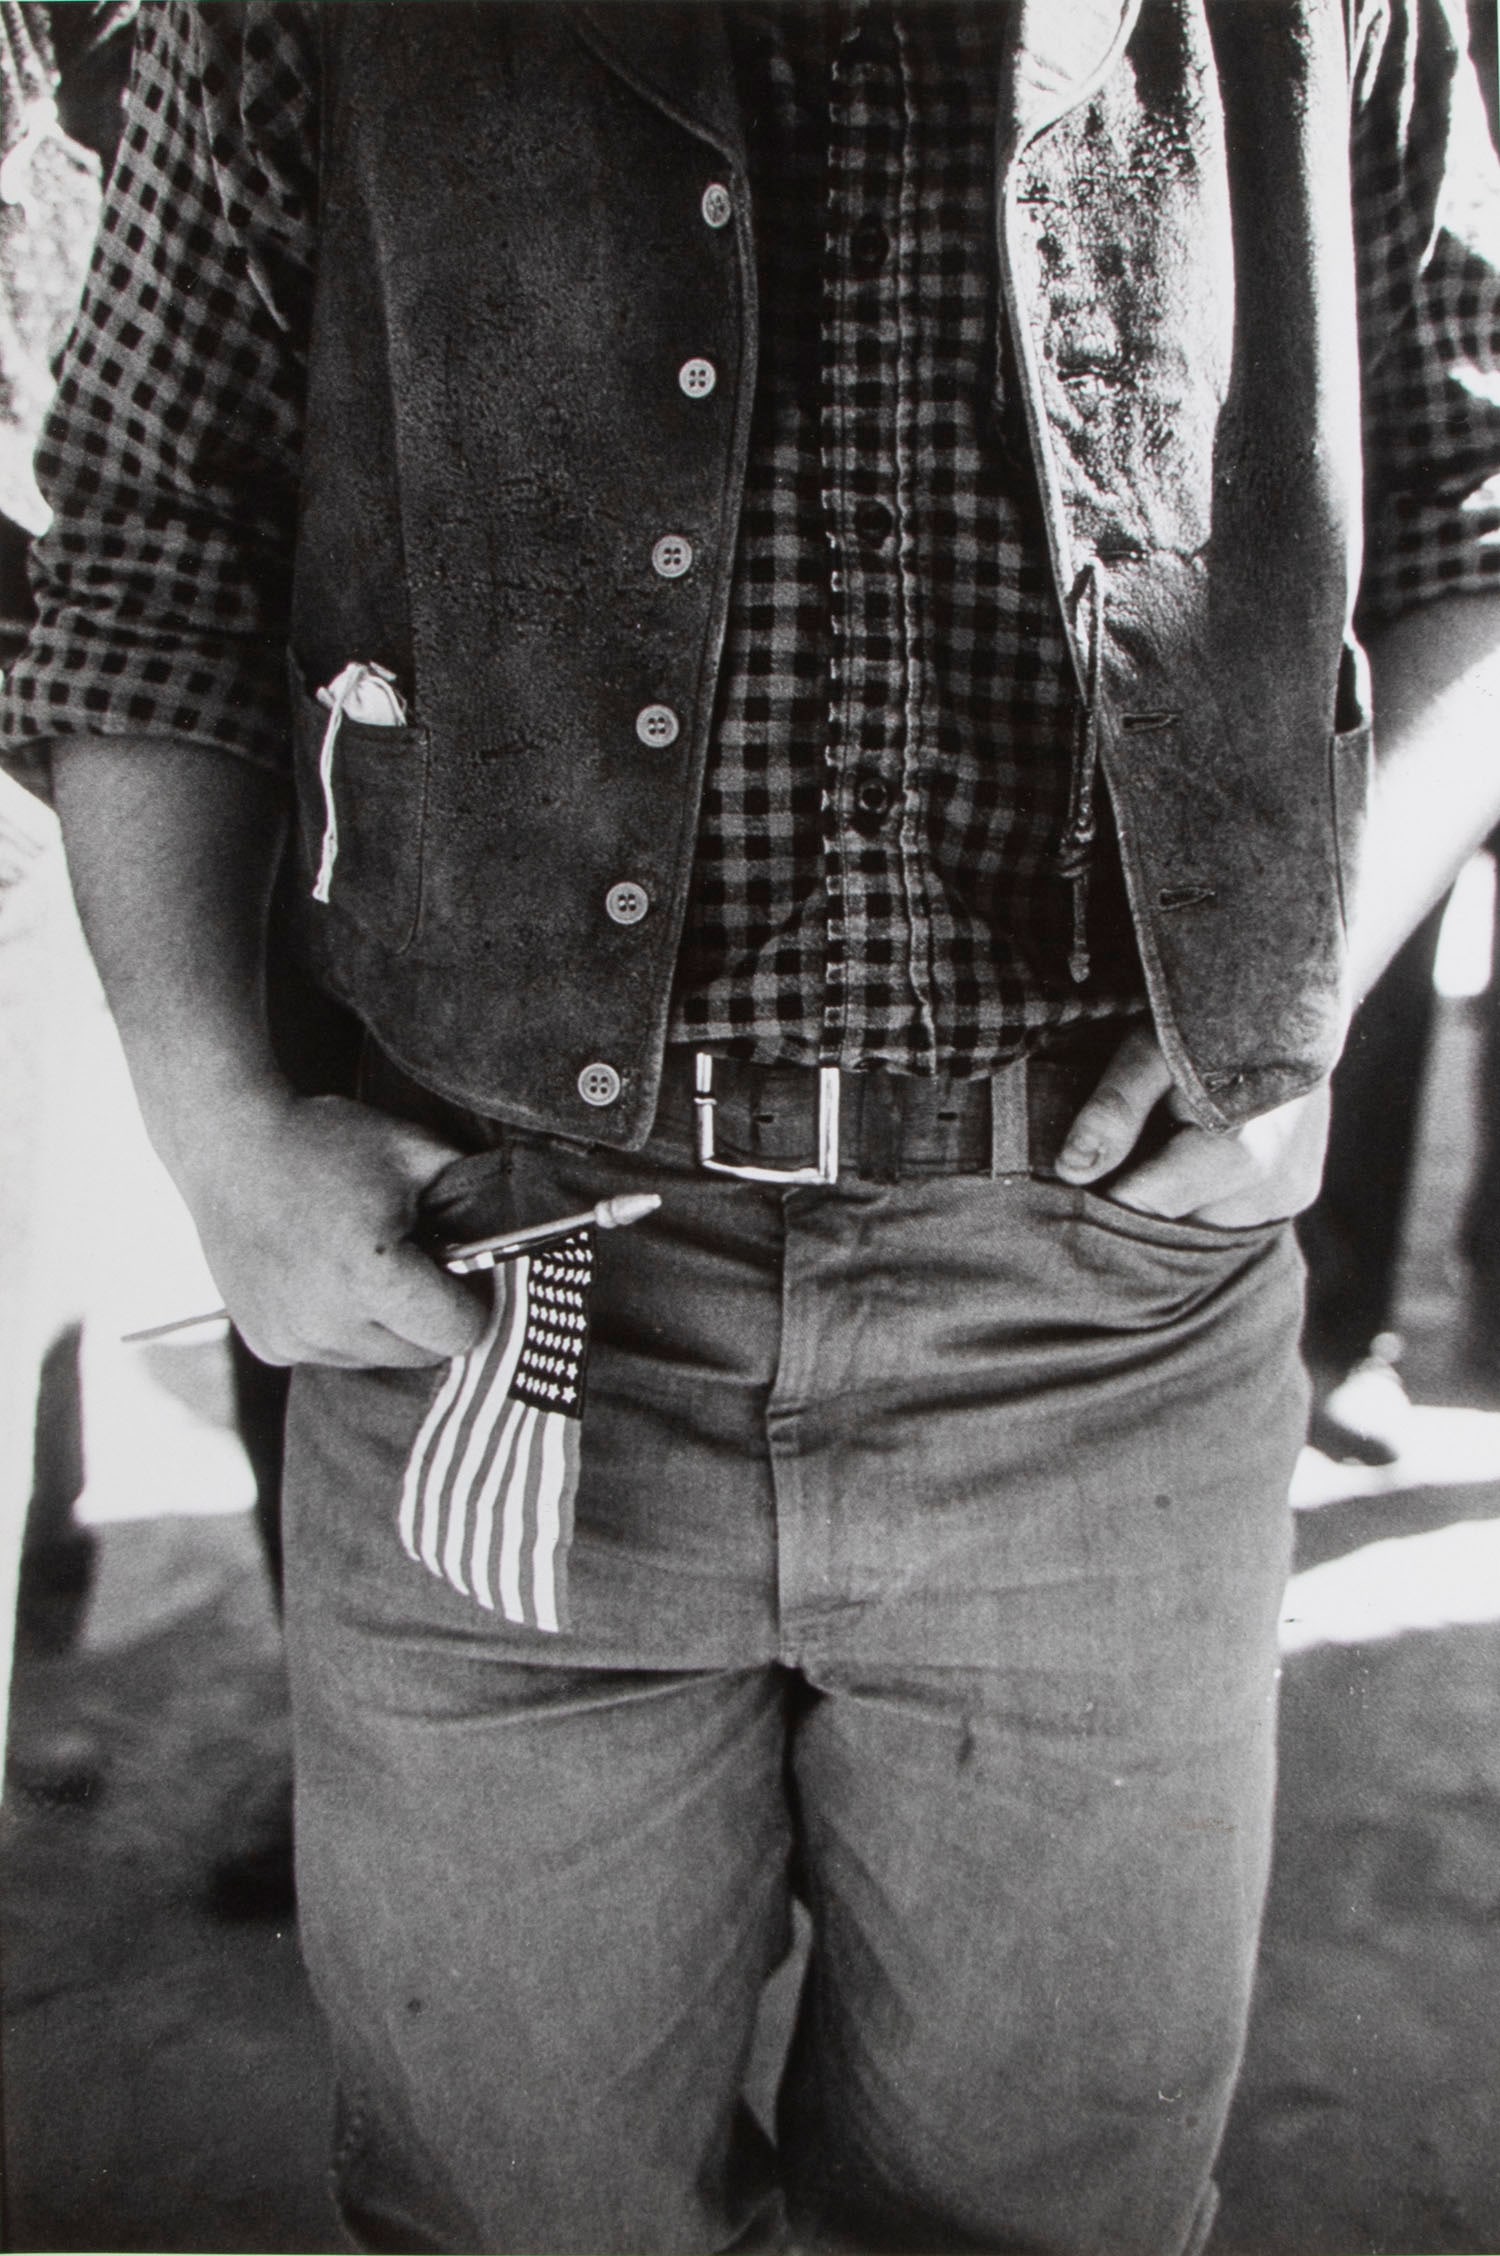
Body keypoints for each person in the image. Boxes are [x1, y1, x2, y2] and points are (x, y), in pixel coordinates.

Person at [6, 4, 1500, 2249]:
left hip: (1093, 1319)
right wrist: (221, 1131)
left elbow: (1485, 513)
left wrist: (1300, 989)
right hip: (496, 1296)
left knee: (1044, 2218)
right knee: (512, 2214)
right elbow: (143, 563)